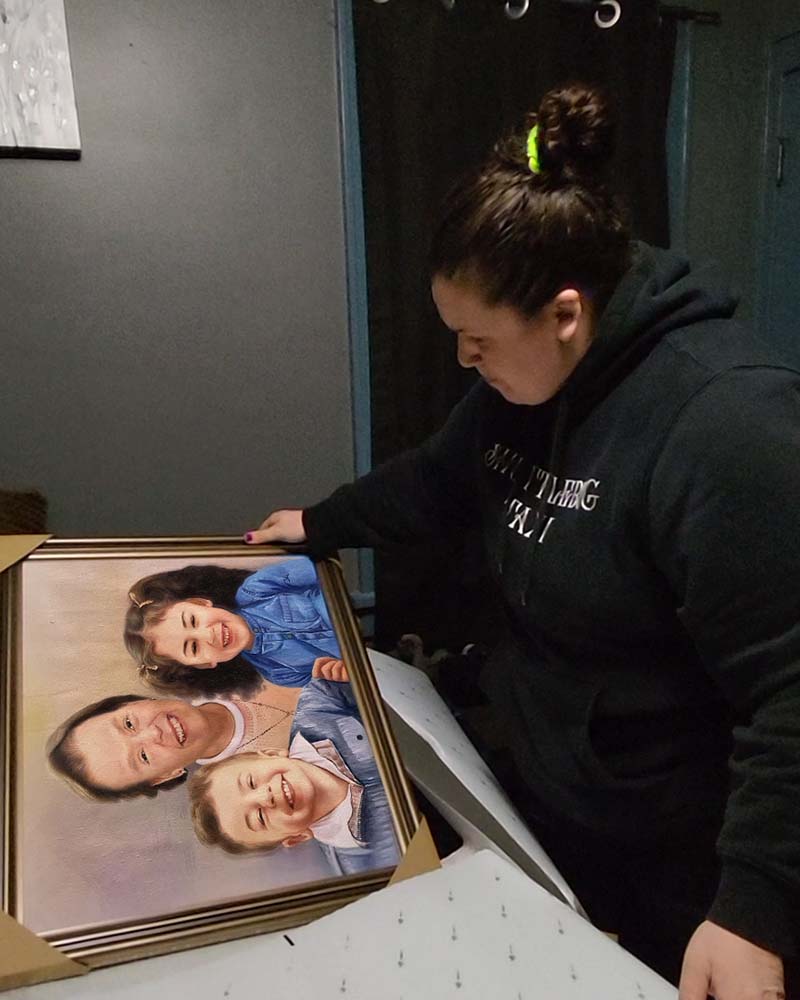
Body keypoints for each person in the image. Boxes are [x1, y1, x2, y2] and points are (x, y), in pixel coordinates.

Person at [244, 83, 800, 998]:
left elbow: (790, 687)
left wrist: (756, 908)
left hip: (687, 845)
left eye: (476, 340)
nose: (466, 361)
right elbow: (435, 479)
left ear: (567, 314)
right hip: (559, 794)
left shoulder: (730, 425)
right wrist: (320, 523)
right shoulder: (521, 388)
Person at [189, 678, 400, 873]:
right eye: (260, 817)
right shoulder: (365, 867)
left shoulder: (320, 702)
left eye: (251, 782)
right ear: (296, 838)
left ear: (270, 754)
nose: (265, 797)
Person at [124, 557, 348, 698]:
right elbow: (339, 689)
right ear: (205, 664)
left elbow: (330, 567)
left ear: (200, 603)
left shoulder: (259, 589)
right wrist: (341, 675)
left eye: (193, 620)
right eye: (193, 647)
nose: (208, 634)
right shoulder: (279, 672)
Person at [47, 686, 308, 800]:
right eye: (143, 757)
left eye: (128, 724)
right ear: (164, 776)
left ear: (133, 702)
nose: (153, 735)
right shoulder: (261, 787)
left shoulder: (216, 643)